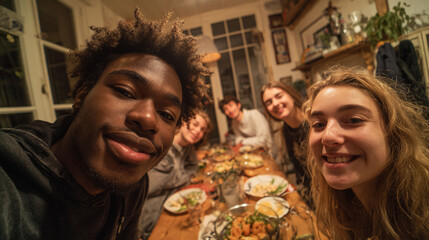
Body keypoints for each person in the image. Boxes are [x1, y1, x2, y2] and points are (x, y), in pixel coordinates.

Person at [0, 8, 210, 240]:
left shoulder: (133, 185)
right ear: (82, 95)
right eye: (125, 91)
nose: (149, 119)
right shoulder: (9, 184)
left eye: (167, 114)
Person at [303, 67, 429, 239]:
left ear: (393, 134)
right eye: (318, 124)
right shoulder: (345, 207)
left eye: (354, 120)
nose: (328, 136)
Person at [138, 110, 212, 239]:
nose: (197, 131)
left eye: (202, 130)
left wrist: (176, 177)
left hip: (175, 208)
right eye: (195, 124)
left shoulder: (187, 147)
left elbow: (194, 168)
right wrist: (182, 177)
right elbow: (152, 185)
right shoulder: (162, 146)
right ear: (183, 121)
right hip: (151, 221)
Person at [261, 81, 311, 204]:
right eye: (269, 102)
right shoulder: (285, 131)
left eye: (279, 96)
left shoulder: (314, 121)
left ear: (291, 95)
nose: (275, 104)